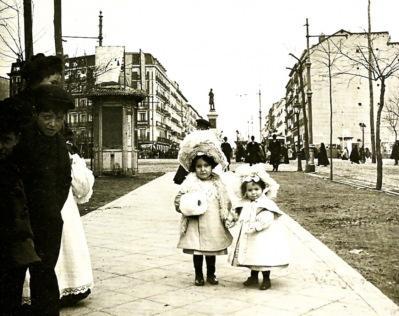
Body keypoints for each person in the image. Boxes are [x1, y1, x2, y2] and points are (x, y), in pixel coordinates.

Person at [13, 84, 74, 315]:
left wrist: (51, 208)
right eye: (47, 117)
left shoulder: (59, 144)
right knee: (14, 272)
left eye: (59, 118)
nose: (53, 124)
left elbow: (64, 180)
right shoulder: (21, 140)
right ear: (36, 114)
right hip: (18, 221)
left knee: (45, 272)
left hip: (48, 221)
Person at [174, 130, 233, 286]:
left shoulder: (217, 182)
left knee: (211, 249)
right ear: (194, 168)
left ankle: (211, 274)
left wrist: (227, 213)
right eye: (199, 166)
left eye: (206, 166)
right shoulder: (190, 182)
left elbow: (225, 200)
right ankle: (198, 274)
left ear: (212, 166)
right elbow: (178, 199)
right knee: (198, 250)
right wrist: (185, 206)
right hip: (195, 222)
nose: (203, 169)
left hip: (212, 221)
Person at [0, 100, 41, 315]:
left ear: (17, 139)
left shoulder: (18, 167)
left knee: (12, 295)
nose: (1, 147)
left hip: (16, 245)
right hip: (11, 244)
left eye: (6, 141)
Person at [229, 164, 289, 290]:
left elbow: (268, 217)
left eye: (256, 189)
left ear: (263, 189)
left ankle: (266, 278)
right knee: (251, 255)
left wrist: (257, 225)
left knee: (262, 255)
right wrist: (231, 219)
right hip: (248, 235)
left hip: (262, 235)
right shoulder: (244, 203)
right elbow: (238, 213)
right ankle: (253, 276)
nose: (253, 193)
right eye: (250, 190)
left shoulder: (265, 203)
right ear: (245, 191)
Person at [12, 54, 63, 126]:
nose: (57, 88)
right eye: (53, 83)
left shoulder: (53, 106)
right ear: (37, 81)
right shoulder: (14, 108)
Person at [173, 118, 211, 184]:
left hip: (195, 158)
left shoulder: (193, 135)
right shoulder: (205, 135)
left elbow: (183, 145)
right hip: (196, 158)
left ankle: (181, 179)